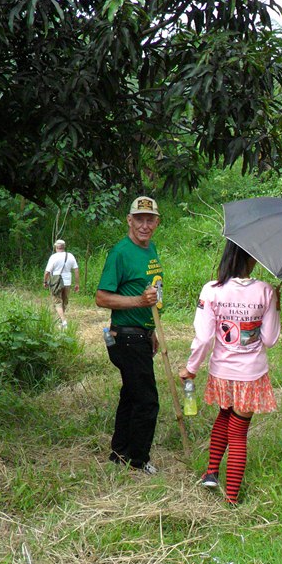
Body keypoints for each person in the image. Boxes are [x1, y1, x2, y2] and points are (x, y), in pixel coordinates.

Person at [178, 240, 280, 505]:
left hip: (221, 372)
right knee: (238, 432)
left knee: (225, 415)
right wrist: (277, 306)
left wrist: (191, 368)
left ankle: (211, 473)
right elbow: (270, 339)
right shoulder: (266, 291)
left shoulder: (211, 290)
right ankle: (232, 498)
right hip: (251, 374)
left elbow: (203, 338)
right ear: (251, 259)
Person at [95, 196, 164, 474]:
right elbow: (101, 297)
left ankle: (120, 452)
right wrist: (138, 302)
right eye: (139, 219)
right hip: (126, 338)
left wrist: (152, 330)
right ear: (129, 220)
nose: (144, 225)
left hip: (142, 334)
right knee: (147, 401)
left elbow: (151, 292)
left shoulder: (151, 249)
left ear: (157, 222)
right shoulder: (120, 253)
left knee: (131, 394)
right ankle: (138, 460)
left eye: (150, 220)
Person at [43, 239, 79, 327]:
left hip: (56, 282)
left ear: (56, 247)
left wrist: (45, 281)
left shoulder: (53, 257)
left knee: (57, 302)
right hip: (67, 282)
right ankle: (61, 322)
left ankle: (63, 321)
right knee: (64, 302)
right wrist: (77, 283)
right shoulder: (70, 256)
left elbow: (47, 272)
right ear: (64, 247)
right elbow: (76, 270)